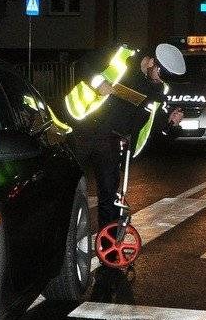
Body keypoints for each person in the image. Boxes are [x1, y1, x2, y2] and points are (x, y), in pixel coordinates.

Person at [63, 43, 187, 232]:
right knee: (66, 186)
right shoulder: (120, 56)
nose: (161, 81)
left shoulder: (159, 89)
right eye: (161, 74)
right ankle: (59, 239)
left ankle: (110, 250)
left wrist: (171, 123)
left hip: (111, 140)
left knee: (109, 197)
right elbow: (83, 65)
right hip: (82, 128)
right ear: (152, 62)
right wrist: (98, 83)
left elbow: (155, 123)